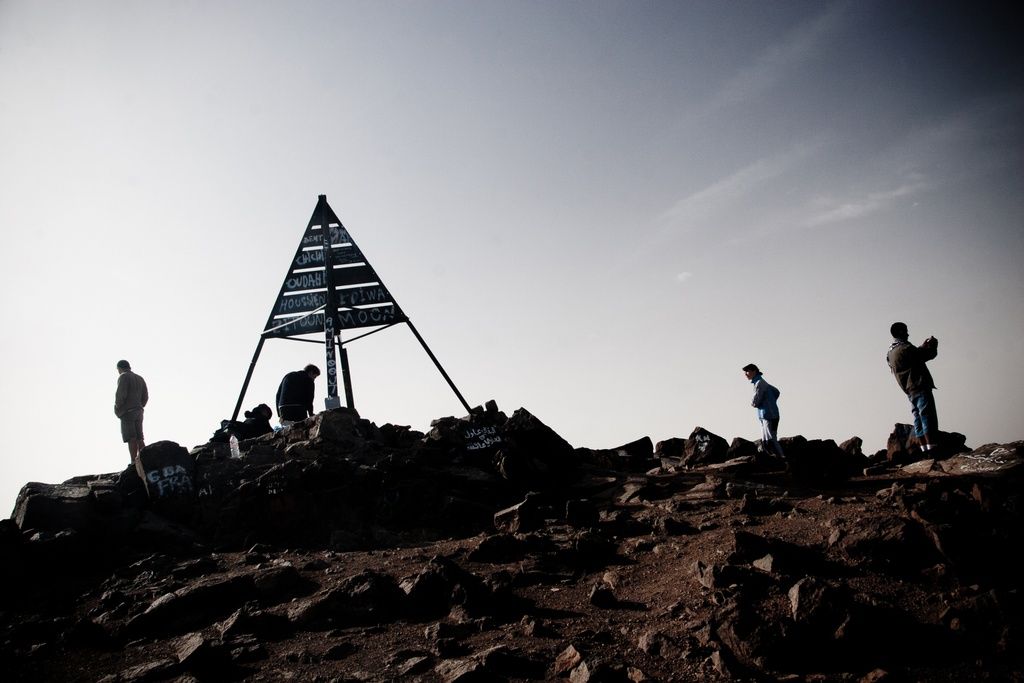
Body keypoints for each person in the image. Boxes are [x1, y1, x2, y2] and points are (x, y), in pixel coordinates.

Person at [886, 322, 939, 452]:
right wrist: (932, 346)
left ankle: (924, 449)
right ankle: (932, 450)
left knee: (918, 418)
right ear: (900, 332)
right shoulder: (906, 348)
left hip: (909, 390)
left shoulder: (890, 352)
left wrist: (922, 347)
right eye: (906, 331)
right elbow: (925, 355)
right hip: (919, 385)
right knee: (927, 417)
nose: (908, 333)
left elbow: (914, 356)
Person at [114, 359, 149, 479]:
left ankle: (134, 463)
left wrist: (118, 408)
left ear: (120, 368)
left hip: (128, 412)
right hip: (139, 411)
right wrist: (140, 406)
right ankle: (146, 458)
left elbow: (120, 395)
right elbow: (146, 396)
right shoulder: (140, 378)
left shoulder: (123, 377)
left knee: (131, 437)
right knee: (140, 437)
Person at [742, 363, 784, 459]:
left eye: (747, 371)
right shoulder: (761, 382)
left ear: (754, 371)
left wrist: (762, 404)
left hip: (768, 415)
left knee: (770, 439)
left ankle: (782, 459)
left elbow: (755, 401)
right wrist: (770, 401)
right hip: (766, 414)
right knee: (767, 440)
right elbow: (776, 392)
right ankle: (776, 459)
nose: (745, 374)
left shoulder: (759, 383)